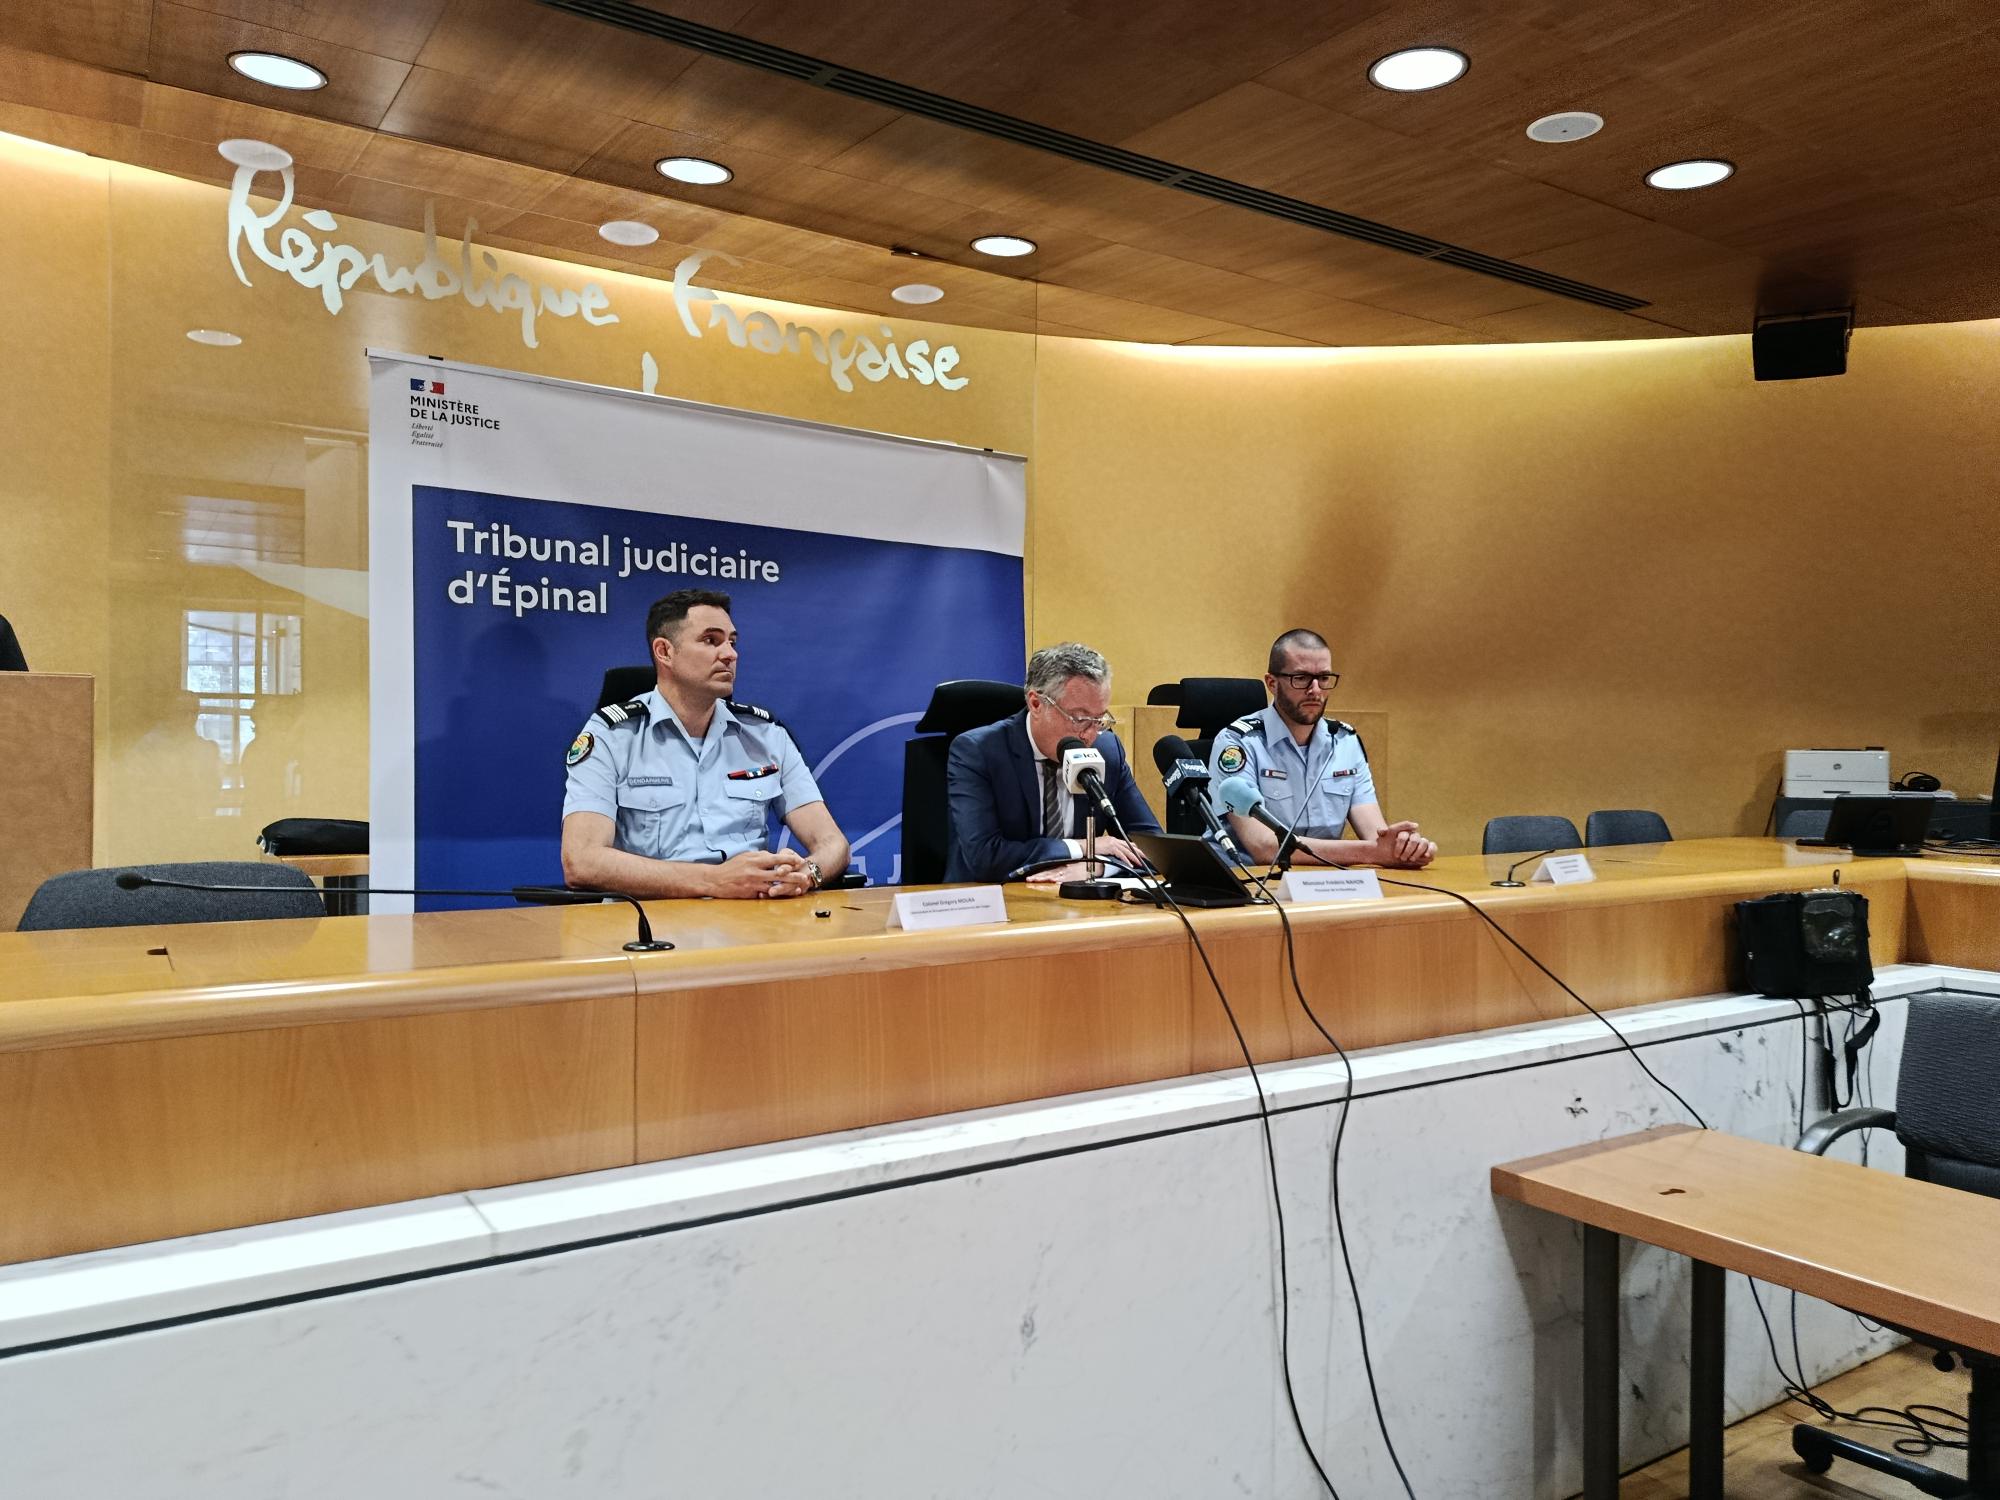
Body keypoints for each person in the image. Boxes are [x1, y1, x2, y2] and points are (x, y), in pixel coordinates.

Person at [561, 588, 849, 899]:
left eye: (732, 642)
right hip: (651, 920)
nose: (730, 654)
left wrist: (806, 875)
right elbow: (582, 861)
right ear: (664, 652)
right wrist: (714, 880)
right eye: (711, 640)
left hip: (754, 916)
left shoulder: (765, 735)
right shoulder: (612, 735)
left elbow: (833, 844)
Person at [1207, 628, 1436, 868]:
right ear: (1272, 683)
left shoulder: (1345, 742)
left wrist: (1403, 850)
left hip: (1322, 881)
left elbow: (1375, 835)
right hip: (1248, 880)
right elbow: (1263, 847)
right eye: (1301, 678)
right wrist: (1373, 852)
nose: (1315, 690)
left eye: (1324, 678)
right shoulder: (1238, 743)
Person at [946, 641, 1162, 883]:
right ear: (1036, 704)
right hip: (992, 899)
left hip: (1070, 901)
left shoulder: (1106, 751)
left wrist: (1097, 867)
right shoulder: (979, 752)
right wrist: (1082, 847)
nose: (1090, 734)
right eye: (1079, 718)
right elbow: (985, 858)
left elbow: (1155, 850)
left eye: (1100, 719)